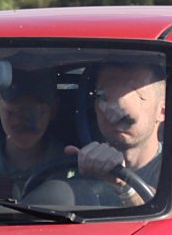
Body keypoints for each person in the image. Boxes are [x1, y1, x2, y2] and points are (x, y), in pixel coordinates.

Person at [65, 58, 166, 204]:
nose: (117, 110)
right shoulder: (81, 168)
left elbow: (170, 216)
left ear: (162, 111)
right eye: (104, 97)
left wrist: (124, 186)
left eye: (135, 97)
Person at [0, 68, 65, 183]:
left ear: (53, 110)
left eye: (37, 112)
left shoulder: (73, 164)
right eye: (16, 111)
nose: (27, 121)